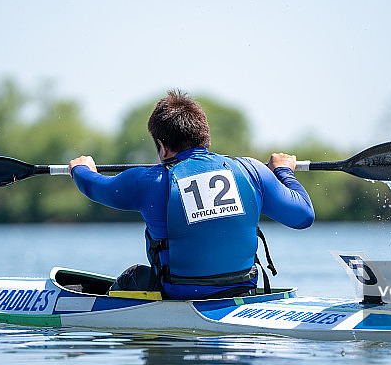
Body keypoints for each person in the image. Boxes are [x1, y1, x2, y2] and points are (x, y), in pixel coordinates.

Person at [69, 90, 314, 300]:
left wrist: (80, 168)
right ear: (204, 137)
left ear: (162, 146)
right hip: (242, 290)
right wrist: (283, 171)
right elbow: (303, 216)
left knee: (134, 276)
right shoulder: (251, 170)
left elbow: (94, 186)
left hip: (179, 293)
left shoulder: (149, 181)